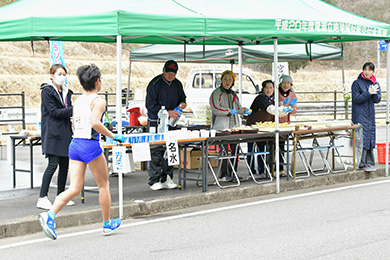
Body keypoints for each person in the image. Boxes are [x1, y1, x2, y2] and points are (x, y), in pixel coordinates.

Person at [39, 64, 125, 240]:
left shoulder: (77, 100)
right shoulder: (99, 101)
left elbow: (74, 124)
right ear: (98, 81)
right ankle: (107, 224)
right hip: (90, 145)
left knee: (75, 188)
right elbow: (95, 123)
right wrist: (114, 136)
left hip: (75, 144)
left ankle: (50, 215)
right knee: (104, 185)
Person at [37, 64, 75, 210]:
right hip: (53, 133)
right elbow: (53, 112)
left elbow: (66, 112)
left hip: (65, 132)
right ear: (51, 76)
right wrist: (73, 109)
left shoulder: (66, 92)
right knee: (53, 164)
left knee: (65, 165)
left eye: (64, 74)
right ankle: (42, 197)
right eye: (59, 74)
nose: (62, 77)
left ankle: (61, 195)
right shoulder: (47, 91)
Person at [145, 60, 187, 191]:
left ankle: (167, 177)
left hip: (171, 123)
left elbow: (182, 98)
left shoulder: (177, 84)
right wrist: (167, 112)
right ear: (163, 70)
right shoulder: (155, 84)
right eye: (168, 72)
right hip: (156, 122)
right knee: (157, 150)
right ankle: (154, 180)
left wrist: (182, 104)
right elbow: (150, 105)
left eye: (173, 74)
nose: (170, 76)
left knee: (171, 149)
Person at [246, 80, 293, 178]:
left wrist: (285, 110)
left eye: (271, 88)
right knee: (251, 150)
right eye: (266, 87)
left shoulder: (273, 99)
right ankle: (252, 171)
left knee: (261, 150)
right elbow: (271, 109)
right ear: (263, 89)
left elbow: (276, 110)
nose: (269, 90)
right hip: (252, 127)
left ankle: (262, 170)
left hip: (264, 128)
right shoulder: (260, 98)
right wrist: (282, 110)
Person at [210, 70, 251, 182]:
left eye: (230, 79)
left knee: (235, 150)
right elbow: (216, 109)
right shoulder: (216, 93)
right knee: (223, 151)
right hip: (221, 127)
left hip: (234, 127)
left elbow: (238, 108)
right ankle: (223, 174)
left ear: (233, 81)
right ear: (221, 80)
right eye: (225, 79)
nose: (227, 82)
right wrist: (228, 111)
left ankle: (233, 173)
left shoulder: (233, 94)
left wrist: (244, 111)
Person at [351, 62, 381, 172]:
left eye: (370, 70)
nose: (367, 72)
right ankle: (361, 163)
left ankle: (368, 162)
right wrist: (368, 93)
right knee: (361, 138)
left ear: (373, 72)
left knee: (369, 137)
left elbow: (377, 100)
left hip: (370, 115)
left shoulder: (375, 83)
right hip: (360, 115)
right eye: (365, 69)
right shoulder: (357, 83)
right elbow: (356, 99)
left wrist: (374, 93)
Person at [277, 75, 298, 175]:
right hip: (274, 122)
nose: (286, 85)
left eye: (288, 83)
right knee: (273, 146)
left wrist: (292, 108)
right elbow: (274, 105)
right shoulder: (276, 92)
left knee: (282, 146)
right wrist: (283, 104)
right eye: (284, 83)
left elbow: (295, 109)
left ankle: (280, 169)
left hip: (286, 123)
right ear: (280, 84)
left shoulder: (292, 94)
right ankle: (273, 168)